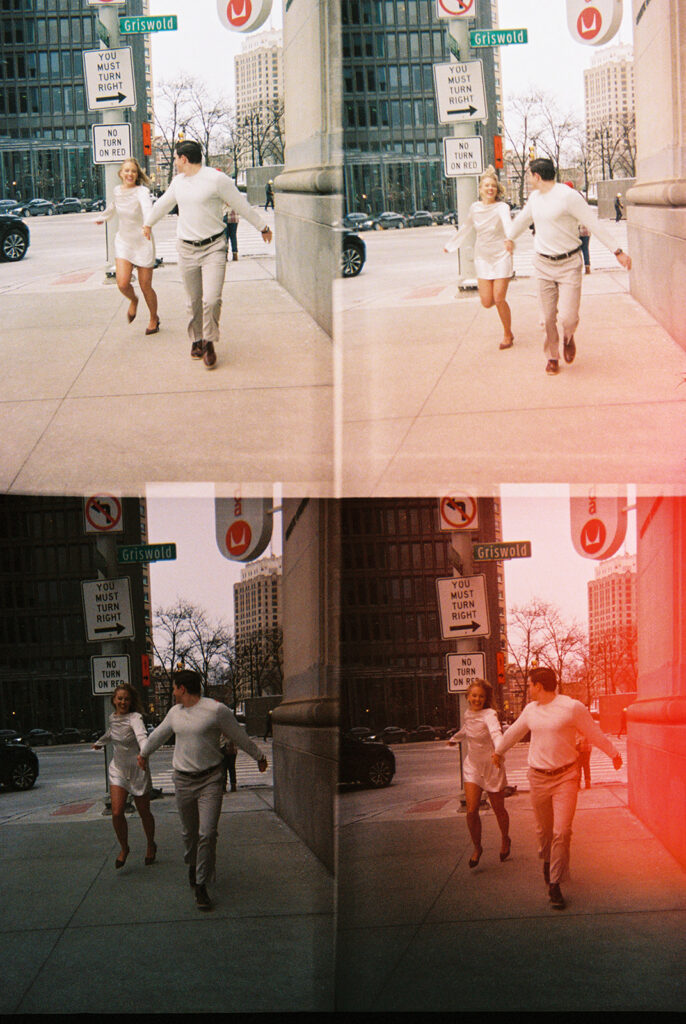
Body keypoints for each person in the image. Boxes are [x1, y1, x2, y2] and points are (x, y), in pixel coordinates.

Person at [492, 667, 622, 910]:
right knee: (544, 832)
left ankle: (555, 883)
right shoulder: (531, 710)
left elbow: (592, 732)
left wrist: (613, 753)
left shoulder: (571, 707)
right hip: (538, 778)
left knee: (561, 831)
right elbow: (513, 733)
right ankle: (548, 860)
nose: (527, 688)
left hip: (566, 777)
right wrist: (498, 752)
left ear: (539, 686)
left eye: (529, 684)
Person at [137, 669, 267, 911]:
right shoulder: (175, 713)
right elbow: (158, 736)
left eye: (174, 687)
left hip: (210, 780)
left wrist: (259, 756)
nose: (173, 692)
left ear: (182, 688)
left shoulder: (216, 710)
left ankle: (201, 885)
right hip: (183, 781)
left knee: (207, 833)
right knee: (189, 834)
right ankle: (193, 863)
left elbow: (239, 735)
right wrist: (143, 754)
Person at [142, 140, 272, 370]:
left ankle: (210, 341)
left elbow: (241, 205)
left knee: (211, 299)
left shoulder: (216, 179)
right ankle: (197, 339)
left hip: (213, 247)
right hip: (187, 248)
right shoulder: (178, 183)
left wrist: (262, 226)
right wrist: (148, 224)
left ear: (184, 159)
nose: (174, 162)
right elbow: (162, 204)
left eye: (175, 158)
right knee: (193, 301)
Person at [504, 158, 632, 375]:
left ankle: (568, 337)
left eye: (529, 176)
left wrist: (617, 251)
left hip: (569, 264)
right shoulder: (535, 198)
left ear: (536, 176)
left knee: (568, 317)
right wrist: (509, 237)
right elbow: (522, 220)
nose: (528, 180)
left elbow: (593, 224)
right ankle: (552, 357)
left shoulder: (568, 196)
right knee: (546, 318)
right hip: (543, 264)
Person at [444, 166, 515, 350]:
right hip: (482, 257)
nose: (490, 188)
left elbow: (508, 225)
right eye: (486, 186)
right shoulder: (475, 208)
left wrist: (509, 239)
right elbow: (466, 227)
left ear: (497, 189)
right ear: (481, 190)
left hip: (501, 256)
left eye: (493, 185)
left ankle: (508, 334)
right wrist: (451, 245)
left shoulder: (502, 207)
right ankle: (504, 321)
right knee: (487, 302)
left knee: (499, 298)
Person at [447, 679, 511, 868]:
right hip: (472, 767)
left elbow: (496, 733)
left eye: (481, 696)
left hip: (492, 766)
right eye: (474, 695)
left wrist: (499, 752)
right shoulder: (468, 714)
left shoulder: (490, 714)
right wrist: (455, 738)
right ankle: (477, 848)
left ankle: (505, 839)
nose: (477, 699)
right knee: (471, 810)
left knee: (499, 809)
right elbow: (467, 730)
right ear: (468, 696)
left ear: (486, 698)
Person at [93, 683, 156, 869]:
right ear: (114, 700)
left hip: (137, 769)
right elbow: (112, 734)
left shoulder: (135, 718)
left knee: (144, 812)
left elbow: (142, 736)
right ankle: (124, 848)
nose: (123, 702)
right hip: (118, 770)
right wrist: (100, 742)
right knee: (117, 812)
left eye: (126, 699)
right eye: (120, 698)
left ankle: (151, 844)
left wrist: (143, 754)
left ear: (131, 701)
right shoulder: (112, 718)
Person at [96, 157, 160, 335]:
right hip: (124, 242)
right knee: (123, 283)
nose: (130, 174)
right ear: (120, 173)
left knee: (145, 285)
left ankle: (154, 318)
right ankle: (133, 300)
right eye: (126, 171)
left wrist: (147, 225)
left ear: (137, 174)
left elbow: (148, 209)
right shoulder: (117, 190)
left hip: (142, 241)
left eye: (133, 171)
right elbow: (113, 206)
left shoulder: (142, 191)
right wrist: (103, 218)